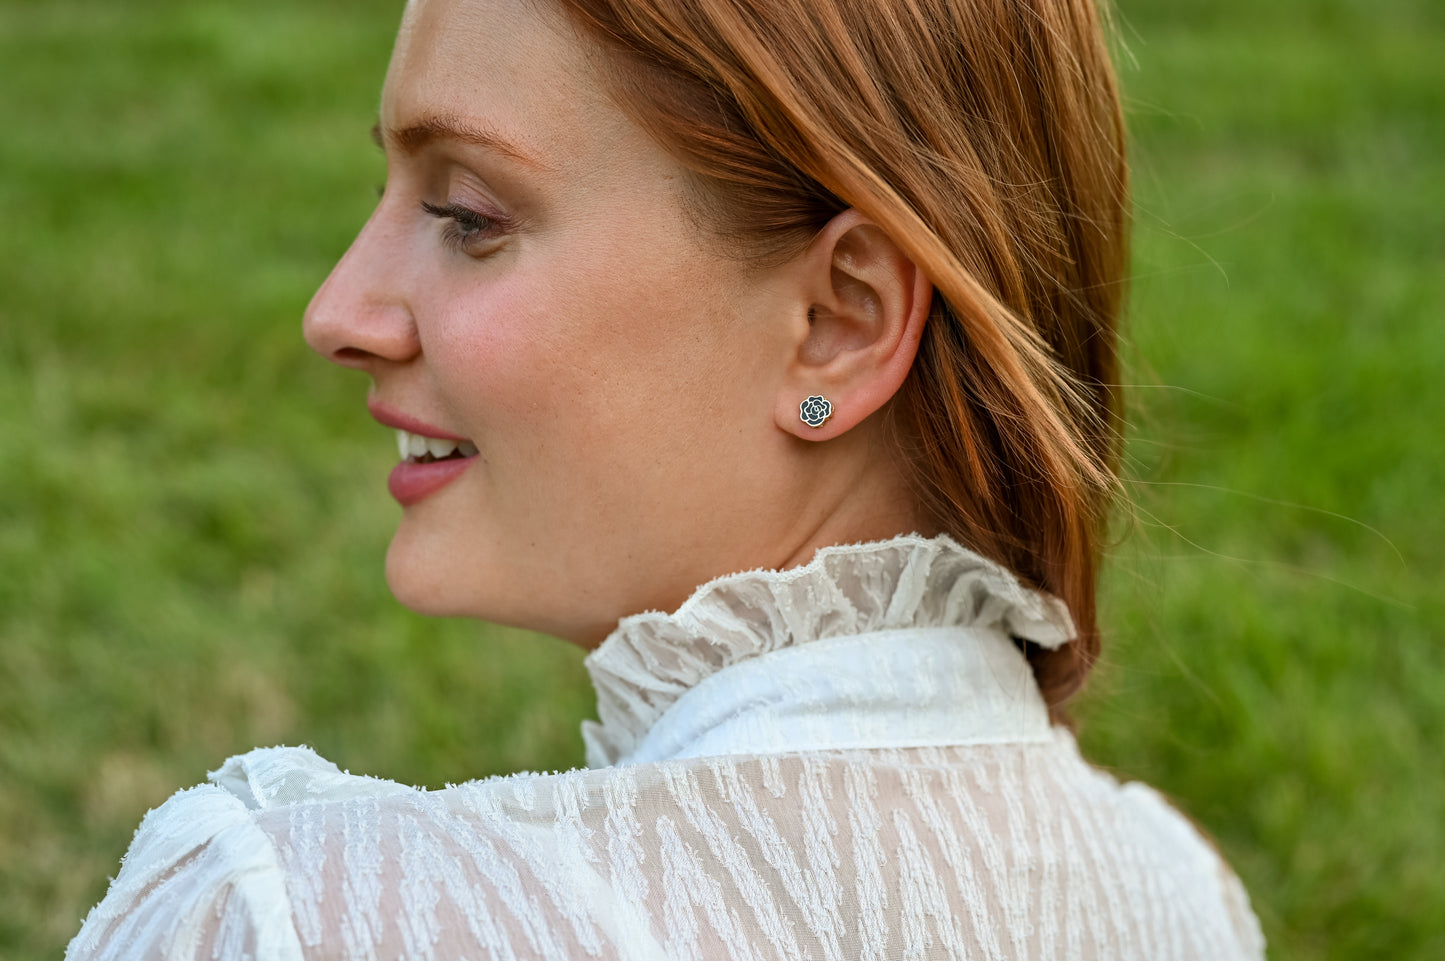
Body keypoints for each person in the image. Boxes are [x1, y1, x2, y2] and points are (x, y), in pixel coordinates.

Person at [67, 0, 1266, 957]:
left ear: (836, 324)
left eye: (467, 213)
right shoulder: (1181, 906)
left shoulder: (287, 922)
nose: (338, 312)